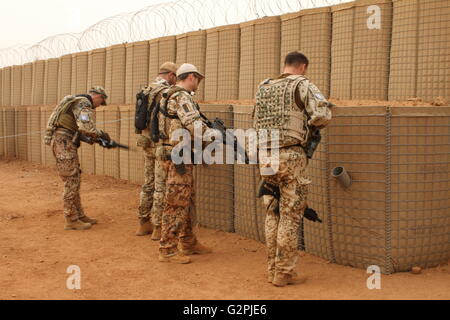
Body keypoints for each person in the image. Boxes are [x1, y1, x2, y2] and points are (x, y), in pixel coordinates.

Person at [253, 52, 333, 287]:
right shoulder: (302, 83)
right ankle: (284, 273)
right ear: (303, 67)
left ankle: (271, 269)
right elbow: (323, 114)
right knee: (290, 215)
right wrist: (307, 125)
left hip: (265, 156)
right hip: (290, 155)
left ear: (285, 65)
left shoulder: (264, 86)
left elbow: (255, 120)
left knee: (272, 212)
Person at [158, 63, 212, 264]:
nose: (198, 83)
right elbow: (194, 125)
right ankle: (168, 250)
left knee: (187, 200)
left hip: (180, 155)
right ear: (191, 77)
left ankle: (188, 242)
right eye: (197, 79)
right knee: (176, 203)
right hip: (179, 157)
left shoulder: (169, 94)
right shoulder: (181, 96)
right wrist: (215, 136)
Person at [44, 86, 110, 230]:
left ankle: (79, 214)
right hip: (64, 143)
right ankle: (71, 218)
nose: (99, 106)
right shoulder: (84, 103)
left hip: (65, 141)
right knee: (71, 180)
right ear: (98, 96)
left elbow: (76, 130)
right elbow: (86, 127)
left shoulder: (77, 102)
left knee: (75, 179)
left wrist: (96, 140)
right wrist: (101, 134)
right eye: (101, 102)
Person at [135, 62, 178, 240]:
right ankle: (157, 227)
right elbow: (165, 121)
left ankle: (143, 222)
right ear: (170, 75)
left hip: (146, 142)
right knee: (161, 187)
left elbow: (139, 118)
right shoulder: (165, 92)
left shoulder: (146, 89)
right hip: (159, 143)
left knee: (148, 184)